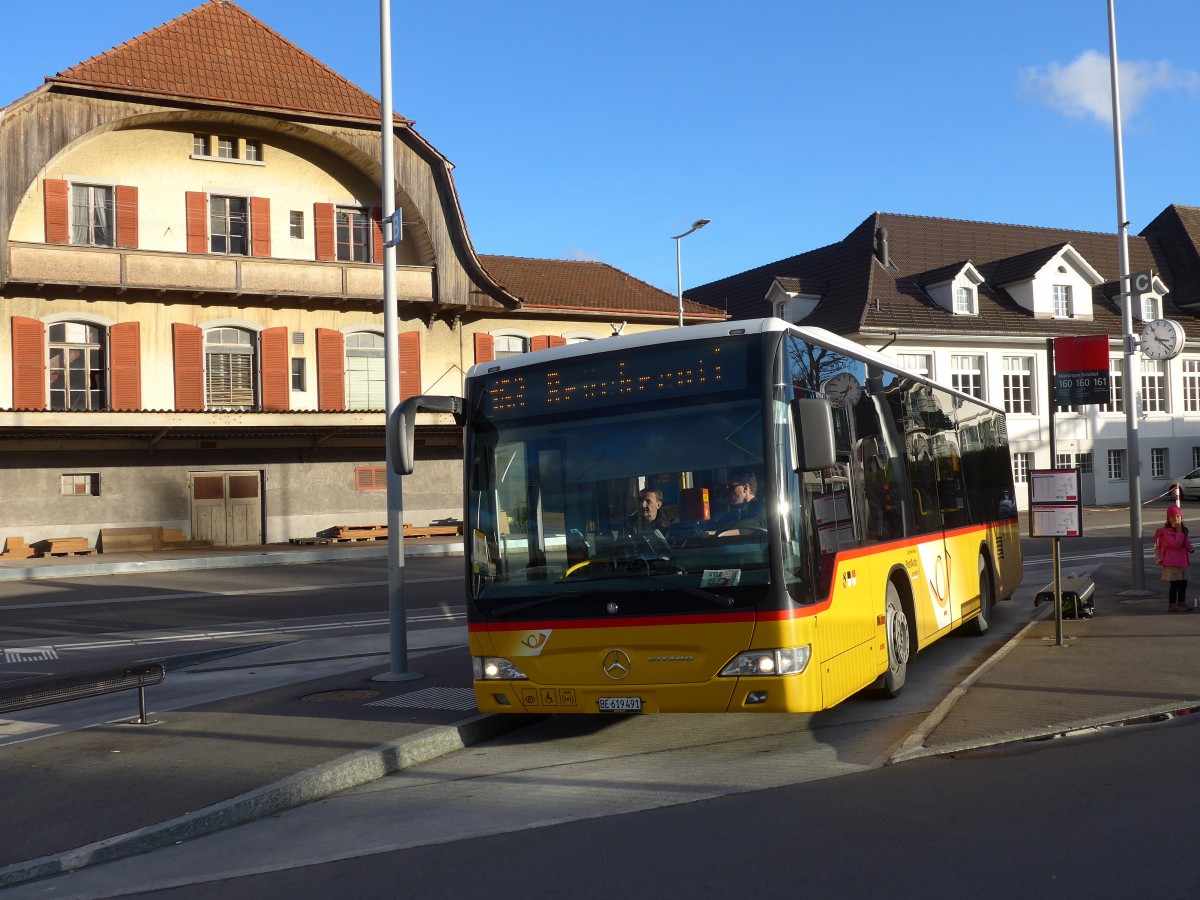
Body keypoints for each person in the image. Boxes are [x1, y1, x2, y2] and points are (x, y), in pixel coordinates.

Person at [1154, 504, 1194, 613]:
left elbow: (1185, 543)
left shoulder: (1183, 531)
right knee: (1175, 584)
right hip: (1172, 562)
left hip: (1181, 561)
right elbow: (1176, 544)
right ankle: (1172, 605)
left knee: (1183, 583)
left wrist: (1189, 547)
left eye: (1177, 516)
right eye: (1172, 517)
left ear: (1181, 518)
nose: (1175, 519)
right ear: (1168, 519)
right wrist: (1179, 531)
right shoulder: (1167, 532)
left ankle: (1182, 603)